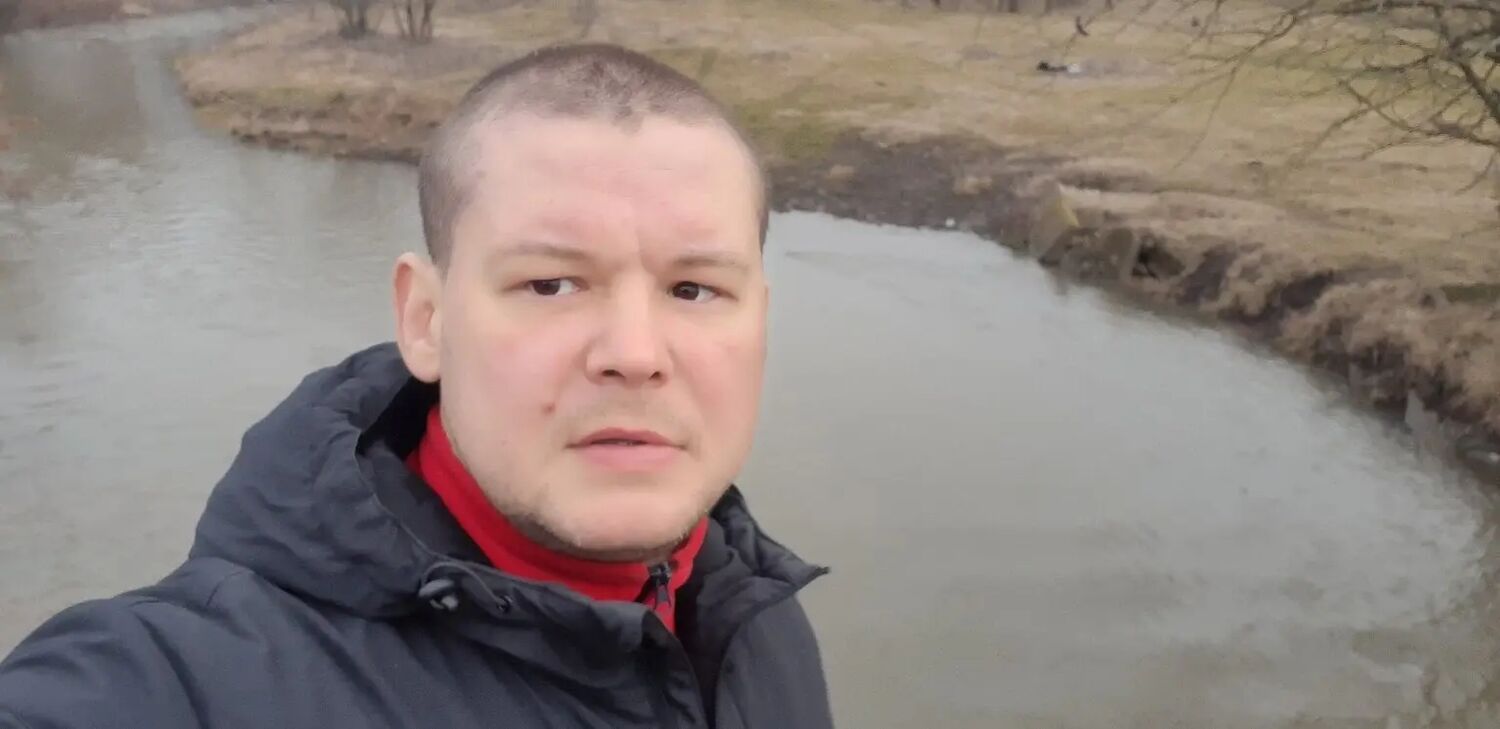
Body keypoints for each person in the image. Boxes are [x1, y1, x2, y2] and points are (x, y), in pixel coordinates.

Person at [0, 43, 833, 729]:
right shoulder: (186, 680)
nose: (635, 353)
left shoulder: (756, 617)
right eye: (551, 283)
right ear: (425, 320)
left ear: (761, 319)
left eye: (694, 289)